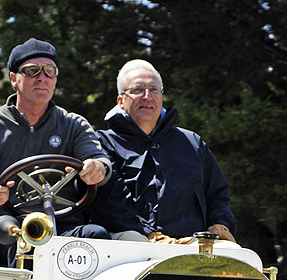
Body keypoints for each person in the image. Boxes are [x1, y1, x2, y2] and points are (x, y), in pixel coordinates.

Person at [0, 38, 112, 264]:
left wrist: (98, 168)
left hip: (63, 227)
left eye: (50, 71)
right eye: (32, 71)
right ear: (14, 79)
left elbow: (99, 160)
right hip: (9, 230)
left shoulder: (72, 124)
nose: (42, 77)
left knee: (97, 236)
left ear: (55, 80)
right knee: (25, 246)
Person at [89, 59, 237, 244]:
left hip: (194, 245)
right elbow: (112, 203)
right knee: (135, 241)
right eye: (137, 90)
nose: (147, 96)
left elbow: (217, 194)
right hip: (132, 244)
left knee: (237, 255)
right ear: (120, 101)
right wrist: (151, 236)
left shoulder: (192, 143)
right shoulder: (101, 143)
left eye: (154, 90)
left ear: (161, 97)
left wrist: (219, 225)